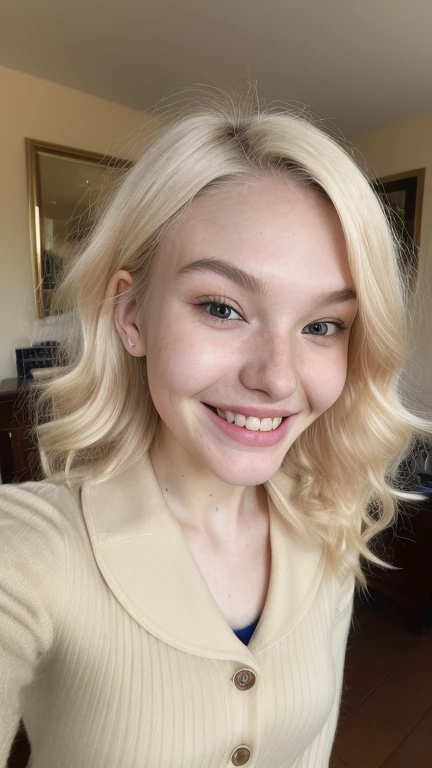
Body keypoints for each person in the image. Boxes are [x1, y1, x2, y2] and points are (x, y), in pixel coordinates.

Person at [1, 94, 431, 768]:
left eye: (322, 326)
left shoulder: (330, 518)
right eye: (224, 308)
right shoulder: (30, 554)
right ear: (133, 315)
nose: (278, 379)